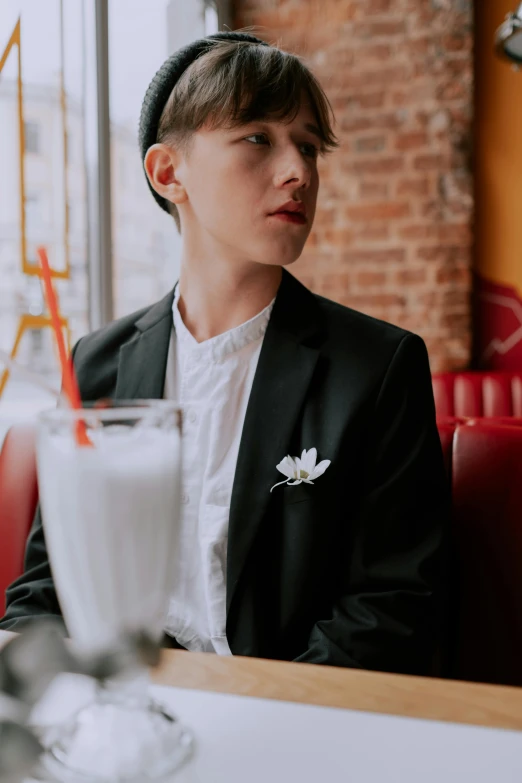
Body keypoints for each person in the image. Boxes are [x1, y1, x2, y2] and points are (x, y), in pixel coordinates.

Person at [0, 31, 449, 674]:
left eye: (309, 146)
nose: (299, 171)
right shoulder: (97, 364)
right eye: (258, 138)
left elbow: (392, 607)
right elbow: (48, 588)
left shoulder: (376, 368)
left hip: (297, 721)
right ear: (168, 172)